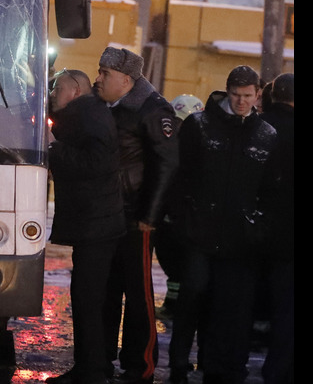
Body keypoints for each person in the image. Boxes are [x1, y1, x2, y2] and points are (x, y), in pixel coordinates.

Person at [172, 65, 278, 384]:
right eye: (236, 95)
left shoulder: (265, 134)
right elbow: (181, 174)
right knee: (193, 294)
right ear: (228, 92)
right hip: (201, 227)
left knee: (220, 301)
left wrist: (256, 225)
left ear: (258, 95)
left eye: (247, 96)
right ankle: (180, 361)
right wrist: (182, 218)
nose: (241, 102)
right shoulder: (201, 125)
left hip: (236, 233)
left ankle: (208, 361)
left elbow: (268, 188)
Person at [93, 47, 179, 384]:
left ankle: (139, 366)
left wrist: (150, 215)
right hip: (109, 214)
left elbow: (168, 165)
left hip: (136, 218)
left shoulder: (153, 110)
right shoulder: (106, 105)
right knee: (106, 290)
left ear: (126, 80)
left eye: (105, 73)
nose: (98, 78)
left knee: (139, 293)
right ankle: (100, 360)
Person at [45, 69, 125, 384]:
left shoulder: (90, 115)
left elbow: (97, 163)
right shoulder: (85, 112)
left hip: (97, 224)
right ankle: (93, 367)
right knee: (87, 297)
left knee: (87, 298)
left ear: (75, 92)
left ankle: (91, 371)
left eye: (57, 89)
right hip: (94, 222)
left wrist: (53, 147)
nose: (52, 94)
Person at [156, 94, 204, 320]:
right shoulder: (171, 145)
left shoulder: (187, 148)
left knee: (180, 266)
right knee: (174, 264)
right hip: (172, 216)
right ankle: (174, 304)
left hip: (181, 217)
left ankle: (177, 307)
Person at [258, 73, 293, 384]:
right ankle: (277, 369)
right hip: (287, 237)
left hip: (250, 231)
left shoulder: (256, 126)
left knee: (240, 305)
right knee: (286, 309)